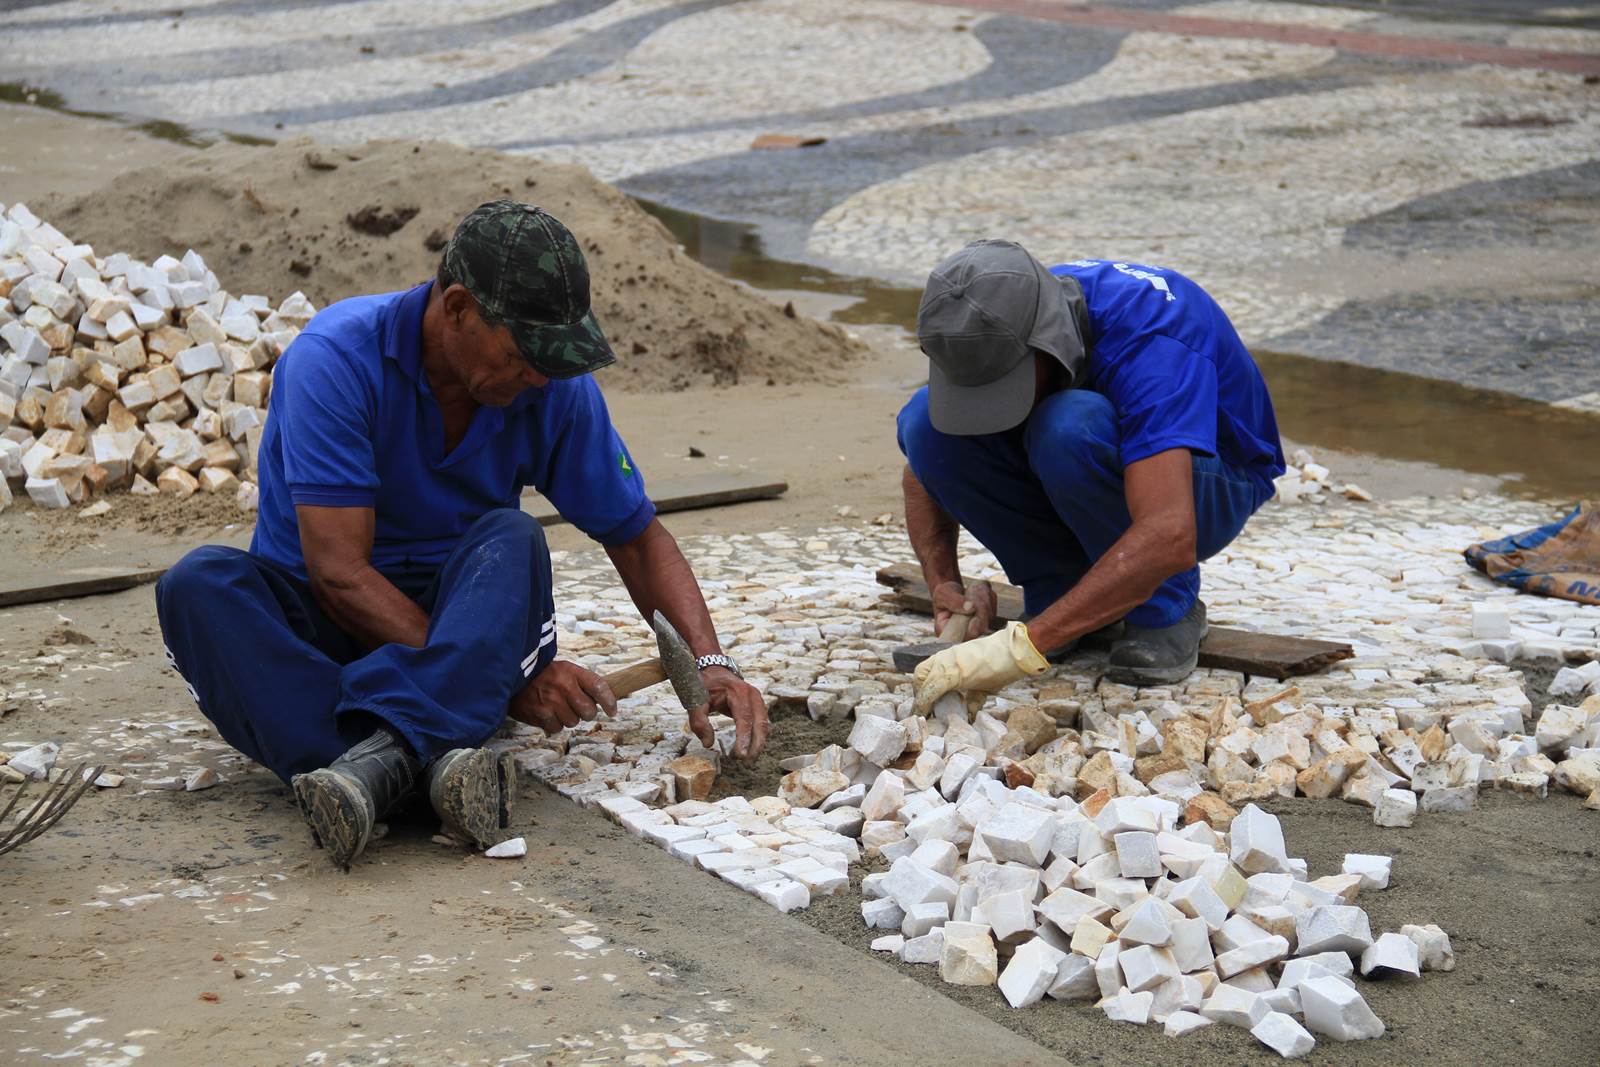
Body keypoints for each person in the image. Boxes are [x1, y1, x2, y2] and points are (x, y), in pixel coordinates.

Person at [155, 201, 769, 869]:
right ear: (456, 309)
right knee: (197, 587)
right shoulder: (335, 361)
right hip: (327, 626)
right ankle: (428, 758)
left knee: (512, 536)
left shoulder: (550, 387)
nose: (539, 375)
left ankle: (363, 772)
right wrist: (502, 686)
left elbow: (637, 537)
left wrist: (710, 661)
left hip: (468, 624)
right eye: (523, 354)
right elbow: (338, 575)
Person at [899, 240, 1284, 710]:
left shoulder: (1154, 338)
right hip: (1091, 451)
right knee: (923, 424)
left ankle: (1165, 606)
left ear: (1048, 343)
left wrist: (1019, 649)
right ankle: (1059, 587)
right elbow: (924, 471)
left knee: (1067, 425)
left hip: (1214, 478)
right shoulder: (996, 312)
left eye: (1005, 387)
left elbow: (1170, 530)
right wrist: (943, 585)